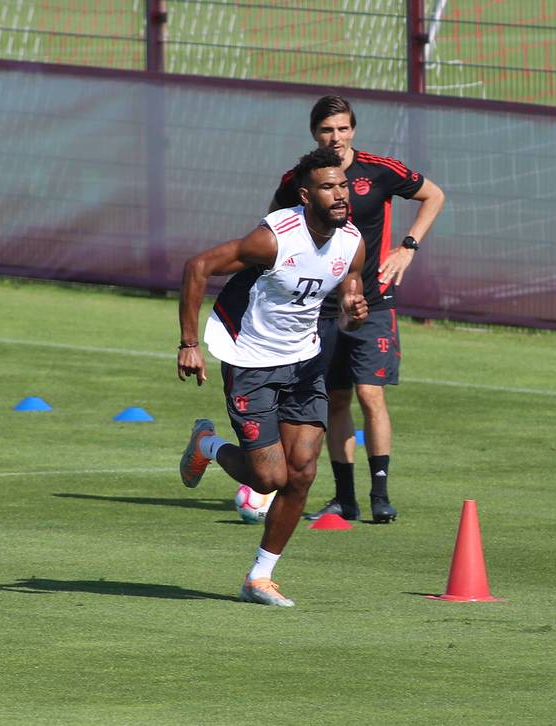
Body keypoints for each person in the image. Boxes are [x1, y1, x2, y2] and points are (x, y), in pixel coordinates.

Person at [176, 146, 367, 607]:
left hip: (304, 361)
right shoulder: (274, 238)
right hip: (249, 360)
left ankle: (259, 578)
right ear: (306, 196)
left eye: (343, 185)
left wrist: (353, 312)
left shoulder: (353, 242)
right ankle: (207, 444)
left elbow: (351, 299)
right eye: (328, 187)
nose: (340, 194)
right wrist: (188, 344)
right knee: (267, 479)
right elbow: (197, 267)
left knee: (301, 474)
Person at [271, 95, 445, 524]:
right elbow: (274, 227)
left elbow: (434, 196)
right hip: (319, 307)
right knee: (335, 400)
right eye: (327, 130)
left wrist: (408, 247)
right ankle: (344, 498)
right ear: (315, 133)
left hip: (373, 301)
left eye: (343, 128)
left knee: (371, 395)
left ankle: (380, 495)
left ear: (353, 129)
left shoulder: (380, 171)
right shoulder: (298, 179)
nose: (336, 137)